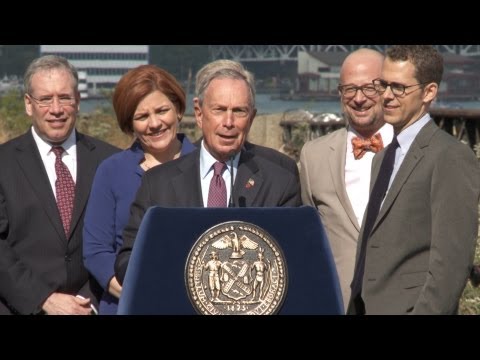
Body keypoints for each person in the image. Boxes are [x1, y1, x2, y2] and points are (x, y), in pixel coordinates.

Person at [115, 59, 301, 284]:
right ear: (199, 113)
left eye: (239, 111)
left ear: (251, 117)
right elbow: (126, 263)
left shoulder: (280, 177)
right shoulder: (158, 183)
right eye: (219, 110)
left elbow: (293, 260)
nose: (229, 122)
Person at [348, 45, 480, 315]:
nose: (386, 95)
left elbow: (451, 264)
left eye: (399, 87)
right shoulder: (382, 158)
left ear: (429, 92)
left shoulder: (450, 156)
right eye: (382, 84)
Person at [0, 55, 119, 315]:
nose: (56, 109)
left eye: (64, 97)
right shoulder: (3, 163)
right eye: (45, 99)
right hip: (21, 307)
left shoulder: (109, 161)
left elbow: (119, 240)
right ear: (29, 105)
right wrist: (43, 299)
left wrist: (87, 303)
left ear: (77, 101)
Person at [83, 65, 195, 314]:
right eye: (142, 117)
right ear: (129, 123)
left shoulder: (207, 165)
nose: (154, 123)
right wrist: (140, 292)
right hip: (127, 303)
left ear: (177, 110)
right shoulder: (111, 171)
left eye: (162, 110)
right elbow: (97, 251)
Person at [299, 48, 393, 312]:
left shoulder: (413, 150)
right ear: (340, 94)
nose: (359, 98)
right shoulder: (313, 156)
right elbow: (309, 238)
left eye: (370, 88)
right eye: (350, 89)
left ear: (387, 89)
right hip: (335, 302)